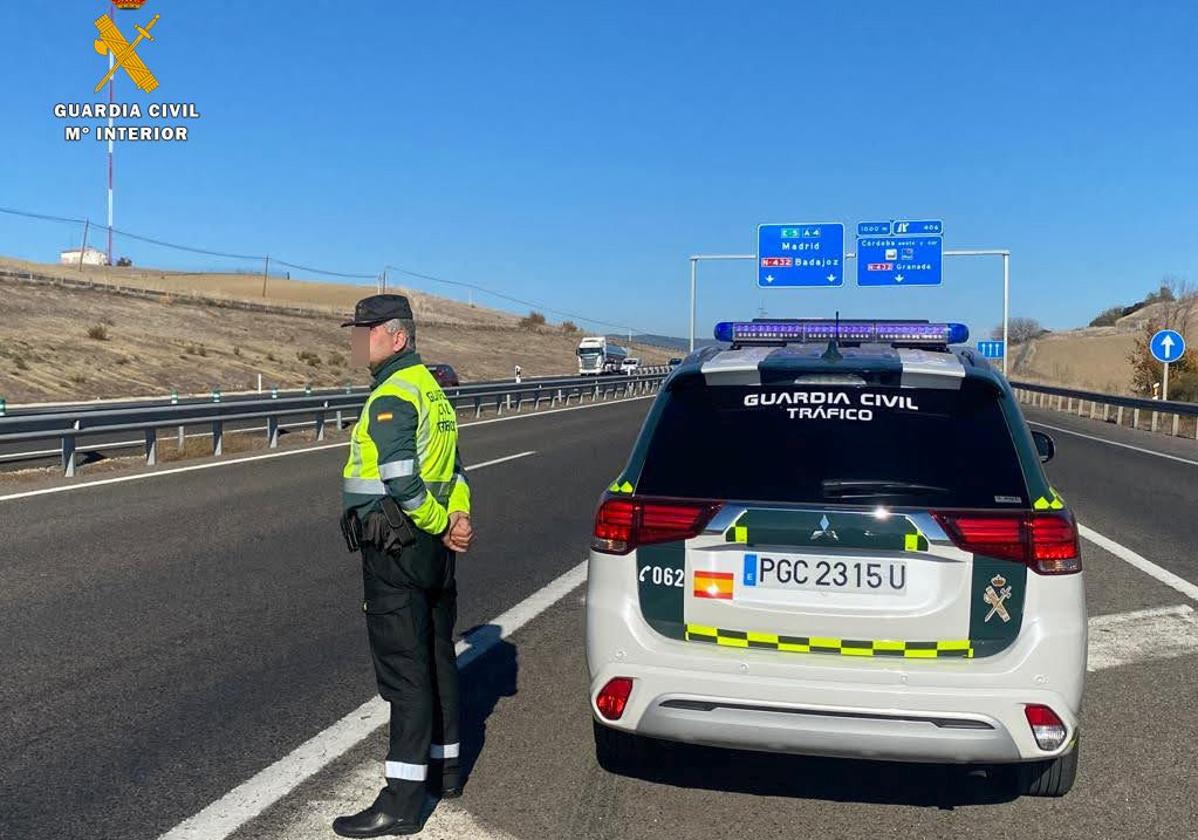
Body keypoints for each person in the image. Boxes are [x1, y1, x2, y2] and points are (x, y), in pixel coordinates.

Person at [334, 294, 474, 837]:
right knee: (438, 656)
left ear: (396, 336)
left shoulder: (393, 394)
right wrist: (457, 517)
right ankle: (448, 769)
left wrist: (439, 522)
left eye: (365, 330)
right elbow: (456, 470)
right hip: (435, 550)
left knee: (404, 670)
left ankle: (401, 802)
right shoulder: (434, 392)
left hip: (398, 546)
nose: (357, 339)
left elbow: (401, 479)